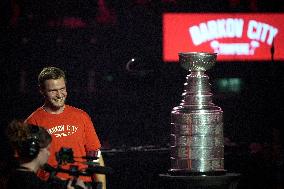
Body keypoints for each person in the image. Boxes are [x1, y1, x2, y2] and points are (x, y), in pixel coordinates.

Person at [25, 66, 106, 189]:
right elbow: (26, 165)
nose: (59, 95)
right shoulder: (33, 121)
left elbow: (95, 155)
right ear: (42, 90)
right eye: (53, 90)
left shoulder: (81, 116)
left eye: (62, 89)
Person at [5, 120, 87, 189]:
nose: (49, 153)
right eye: (47, 149)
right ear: (35, 150)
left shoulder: (12, 176)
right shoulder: (32, 183)